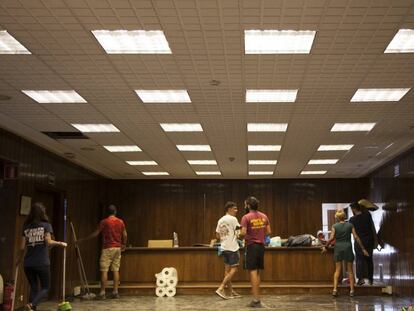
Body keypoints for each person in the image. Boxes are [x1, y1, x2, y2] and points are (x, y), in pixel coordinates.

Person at [16, 202, 67, 311]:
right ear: (42, 213)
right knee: (45, 287)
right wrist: (60, 243)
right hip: (42, 262)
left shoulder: (26, 227)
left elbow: (21, 247)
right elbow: (48, 242)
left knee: (33, 288)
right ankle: (31, 305)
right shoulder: (46, 225)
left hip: (28, 263)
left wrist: (20, 259)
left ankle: (31, 308)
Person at [77, 204, 127, 299]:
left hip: (107, 248)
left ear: (107, 213)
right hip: (117, 248)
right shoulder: (121, 222)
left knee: (104, 270)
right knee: (116, 270)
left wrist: (83, 240)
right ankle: (115, 292)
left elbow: (96, 234)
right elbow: (125, 234)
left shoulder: (104, 222)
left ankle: (102, 293)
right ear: (115, 211)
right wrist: (124, 244)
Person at [322, 209, 369, 297]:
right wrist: (363, 249)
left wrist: (326, 246)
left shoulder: (334, 226)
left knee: (337, 270)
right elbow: (356, 237)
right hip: (348, 247)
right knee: (350, 270)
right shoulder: (350, 225)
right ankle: (351, 291)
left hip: (338, 248)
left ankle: (335, 290)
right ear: (344, 217)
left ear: (337, 218)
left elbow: (332, 238)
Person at [239, 196, 271, 308]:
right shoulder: (264, 216)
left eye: (245, 204)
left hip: (251, 246)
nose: (244, 206)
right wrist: (259, 235)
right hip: (261, 247)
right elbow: (269, 231)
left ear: (248, 205)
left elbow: (242, 233)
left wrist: (237, 235)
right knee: (257, 272)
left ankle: (256, 300)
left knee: (252, 271)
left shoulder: (246, 217)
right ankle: (257, 298)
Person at [215, 201, 242, 299]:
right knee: (234, 269)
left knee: (227, 271)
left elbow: (217, 235)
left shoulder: (220, 220)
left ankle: (230, 292)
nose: (236, 210)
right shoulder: (233, 219)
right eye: (235, 209)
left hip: (224, 248)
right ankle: (221, 288)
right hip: (232, 248)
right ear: (229, 209)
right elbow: (240, 233)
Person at [349, 201, 378, 285]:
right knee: (369, 260)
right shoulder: (367, 215)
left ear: (354, 209)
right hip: (369, 241)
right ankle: (371, 279)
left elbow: (352, 232)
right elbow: (372, 227)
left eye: (352, 209)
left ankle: (360, 279)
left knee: (359, 260)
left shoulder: (352, 219)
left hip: (358, 242)